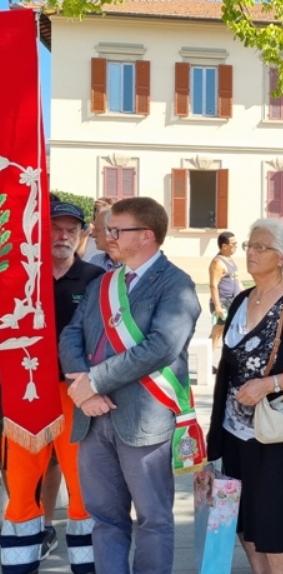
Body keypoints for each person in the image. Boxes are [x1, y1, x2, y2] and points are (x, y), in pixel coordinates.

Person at [59, 197, 202, 574]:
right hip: (93, 419)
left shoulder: (177, 285)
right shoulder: (103, 282)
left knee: (153, 520)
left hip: (144, 419)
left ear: (146, 236)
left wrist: (94, 381)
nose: (108, 237)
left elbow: (162, 346)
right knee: (105, 519)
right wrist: (84, 388)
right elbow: (71, 333)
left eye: (116, 230)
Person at [206, 218, 283, 574]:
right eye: (249, 246)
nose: (251, 253)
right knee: (244, 515)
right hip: (234, 430)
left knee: (277, 519)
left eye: (262, 247)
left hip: (277, 432)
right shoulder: (242, 299)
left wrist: (268, 385)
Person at [1, 202, 102, 574]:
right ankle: (18, 565)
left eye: (71, 230)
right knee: (22, 485)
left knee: (84, 486)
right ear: (41, 232)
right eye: (56, 228)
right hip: (25, 396)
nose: (63, 236)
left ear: (82, 234)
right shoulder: (16, 277)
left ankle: (87, 567)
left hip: (76, 394)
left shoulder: (96, 278)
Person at [209, 231, 242, 368]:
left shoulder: (230, 260)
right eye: (233, 244)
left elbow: (237, 281)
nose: (236, 246)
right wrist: (217, 306)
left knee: (230, 331)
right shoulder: (217, 262)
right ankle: (207, 362)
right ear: (224, 246)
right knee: (217, 332)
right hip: (223, 301)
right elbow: (213, 285)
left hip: (233, 301)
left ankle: (228, 362)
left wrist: (246, 296)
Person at [87, 202, 119, 271]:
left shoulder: (134, 264)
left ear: (112, 232)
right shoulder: (95, 261)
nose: (93, 235)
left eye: (97, 230)